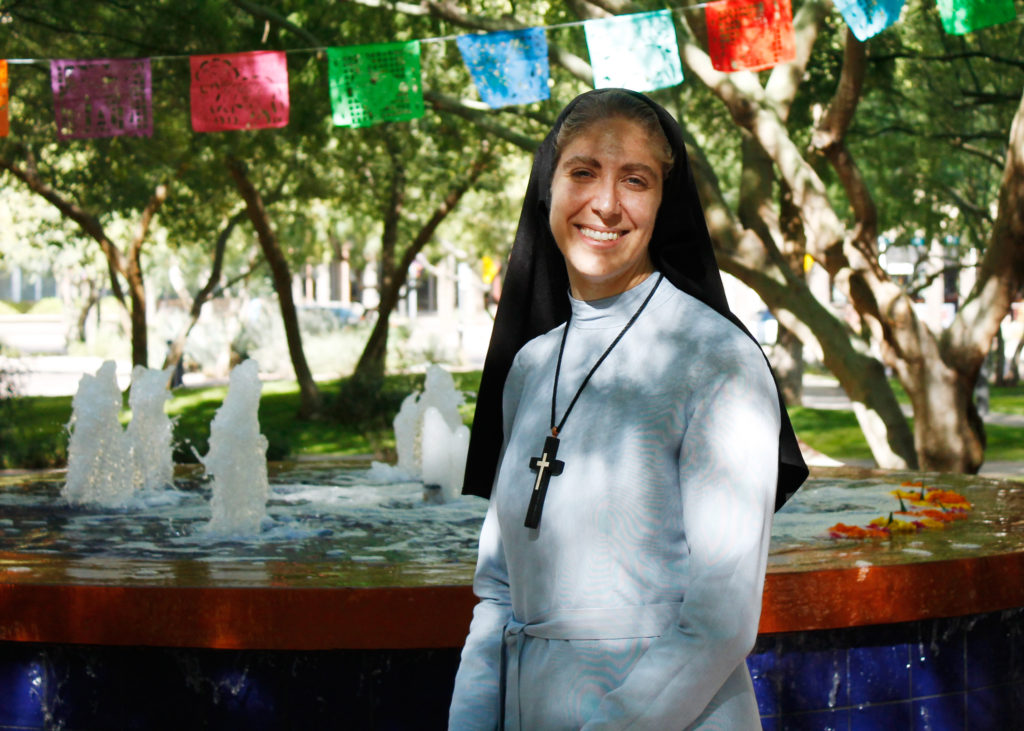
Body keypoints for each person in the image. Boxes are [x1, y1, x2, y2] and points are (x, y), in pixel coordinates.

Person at [448, 89, 807, 730]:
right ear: (547, 188)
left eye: (634, 180)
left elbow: (720, 620)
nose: (606, 203)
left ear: (662, 204)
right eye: (582, 171)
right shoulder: (529, 367)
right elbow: (498, 587)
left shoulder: (716, 360)